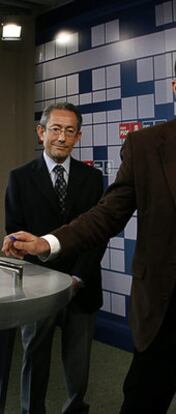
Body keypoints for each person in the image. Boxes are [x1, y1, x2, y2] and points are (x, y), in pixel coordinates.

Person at [2, 41, 176, 413]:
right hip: (169, 298)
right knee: (142, 400)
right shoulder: (145, 145)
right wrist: (48, 243)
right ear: (175, 87)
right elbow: (106, 214)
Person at [5, 102, 104, 414]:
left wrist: (77, 277)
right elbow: (15, 230)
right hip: (37, 289)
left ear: (78, 136)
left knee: (79, 368)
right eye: (56, 129)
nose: (62, 137)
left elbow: (97, 235)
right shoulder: (19, 178)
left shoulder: (92, 178)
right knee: (34, 360)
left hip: (81, 285)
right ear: (41, 133)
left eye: (70, 131)